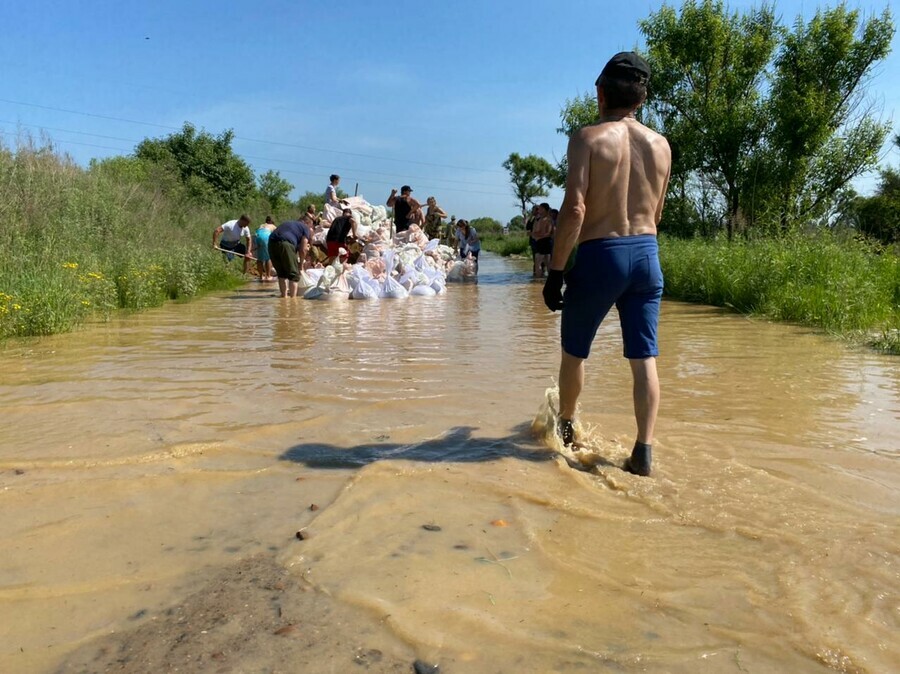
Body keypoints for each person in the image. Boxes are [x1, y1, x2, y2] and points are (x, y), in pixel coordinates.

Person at [542, 51, 671, 477]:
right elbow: (657, 214)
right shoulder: (661, 145)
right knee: (644, 357)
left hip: (602, 255)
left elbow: (575, 209)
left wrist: (557, 272)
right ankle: (643, 452)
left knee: (574, 353)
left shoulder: (588, 138)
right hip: (647, 256)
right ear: (642, 97)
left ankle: (566, 432)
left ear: (600, 93)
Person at [268, 215, 312, 298]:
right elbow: (303, 249)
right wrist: (301, 266)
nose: (310, 229)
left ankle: (284, 298)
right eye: (310, 226)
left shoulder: (289, 224)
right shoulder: (305, 228)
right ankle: (293, 301)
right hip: (286, 244)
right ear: (307, 223)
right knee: (294, 275)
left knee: (281, 274)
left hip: (271, 243)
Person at [531, 203, 554, 278]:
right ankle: (549, 280)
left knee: (538, 263)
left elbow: (548, 233)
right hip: (543, 242)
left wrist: (536, 235)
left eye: (540, 209)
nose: (538, 210)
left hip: (544, 242)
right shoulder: (541, 219)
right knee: (547, 262)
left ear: (544, 209)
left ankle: (537, 281)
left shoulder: (547, 219)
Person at [255, 216, 277, 281]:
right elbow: (277, 235)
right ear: (271, 222)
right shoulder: (272, 226)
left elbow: (257, 233)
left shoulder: (261, 225)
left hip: (258, 236)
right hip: (265, 236)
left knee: (260, 258)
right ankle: (268, 276)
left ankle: (261, 276)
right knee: (268, 257)